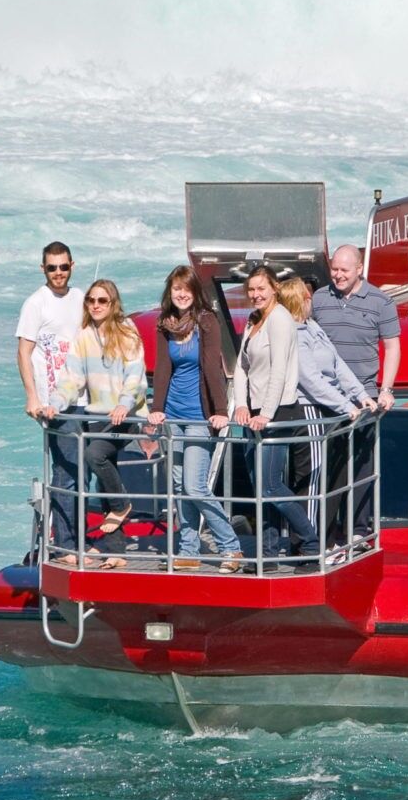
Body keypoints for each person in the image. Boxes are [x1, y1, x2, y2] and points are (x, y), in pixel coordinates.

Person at [147, 266, 244, 575]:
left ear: (195, 292)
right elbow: (163, 368)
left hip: (199, 415)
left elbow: (213, 368)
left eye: (187, 288)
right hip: (173, 414)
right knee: (179, 485)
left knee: (195, 485)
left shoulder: (206, 321)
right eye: (177, 288)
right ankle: (189, 550)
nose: (182, 294)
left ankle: (230, 546)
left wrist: (221, 411)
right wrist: (157, 407)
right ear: (170, 291)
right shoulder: (165, 324)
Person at [48, 279, 148, 569]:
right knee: (106, 475)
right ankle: (116, 551)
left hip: (125, 416)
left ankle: (121, 505)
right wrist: (54, 403)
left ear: (113, 303)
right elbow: (72, 378)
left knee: (95, 455)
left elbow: (135, 375)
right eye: (91, 300)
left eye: (102, 300)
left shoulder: (127, 332)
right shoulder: (84, 336)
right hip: (97, 416)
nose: (95, 305)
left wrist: (124, 404)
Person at [309, 244, 401, 539]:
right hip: (326, 397)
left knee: (361, 465)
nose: (338, 275)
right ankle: (325, 534)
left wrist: (386, 389)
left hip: (364, 396)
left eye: (344, 270)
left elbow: (392, 347)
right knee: (328, 465)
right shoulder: (319, 299)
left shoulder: (381, 302)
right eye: (334, 269)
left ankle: (357, 532)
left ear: (359, 269)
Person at [229, 266, 318, 570]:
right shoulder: (253, 320)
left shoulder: (280, 319)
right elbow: (241, 367)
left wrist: (266, 413)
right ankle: (266, 554)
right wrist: (241, 405)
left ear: (274, 288)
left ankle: (310, 542)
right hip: (253, 414)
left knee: (269, 485)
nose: (255, 294)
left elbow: (279, 370)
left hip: (278, 412)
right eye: (251, 289)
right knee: (260, 488)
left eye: (261, 288)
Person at [277, 277, 376, 550]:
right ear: (299, 300)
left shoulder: (312, 327)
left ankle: (327, 539)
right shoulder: (294, 335)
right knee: (313, 477)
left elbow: (338, 365)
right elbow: (310, 380)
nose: (312, 299)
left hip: (333, 410)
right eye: (307, 295)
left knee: (335, 477)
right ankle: (309, 543)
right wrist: (346, 406)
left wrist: (361, 395)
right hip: (311, 410)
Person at [16, 241, 85, 564]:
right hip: (53, 402)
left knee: (87, 467)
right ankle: (66, 543)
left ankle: (81, 537)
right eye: (52, 267)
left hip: (84, 396)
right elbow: (23, 352)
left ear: (72, 266)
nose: (58, 273)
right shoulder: (36, 303)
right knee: (66, 469)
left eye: (63, 267)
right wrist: (32, 397)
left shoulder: (81, 297)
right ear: (43, 269)